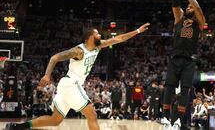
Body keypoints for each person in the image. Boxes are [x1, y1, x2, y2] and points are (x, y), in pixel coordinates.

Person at [5, 24, 150, 130]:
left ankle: (17, 127)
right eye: (97, 34)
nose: (100, 35)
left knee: (55, 120)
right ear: (89, 38)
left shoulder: (98, 46)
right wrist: (47, 75)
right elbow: (55, 57)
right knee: (92, 114)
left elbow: (119, 38)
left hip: (68, 86)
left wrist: (137, 31)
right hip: (71, 84)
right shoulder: (78, 51)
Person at [158, 0, 206, 130]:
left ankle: (178, 120)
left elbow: (197, 7)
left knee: (185, 90)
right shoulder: (179, 18)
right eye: (188, 7)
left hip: (189, 60)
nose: (189, 7)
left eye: (190, 7)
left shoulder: (199, 22)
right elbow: (175, 2)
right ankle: (165, 118)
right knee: (170, 87)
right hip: (175, 57)